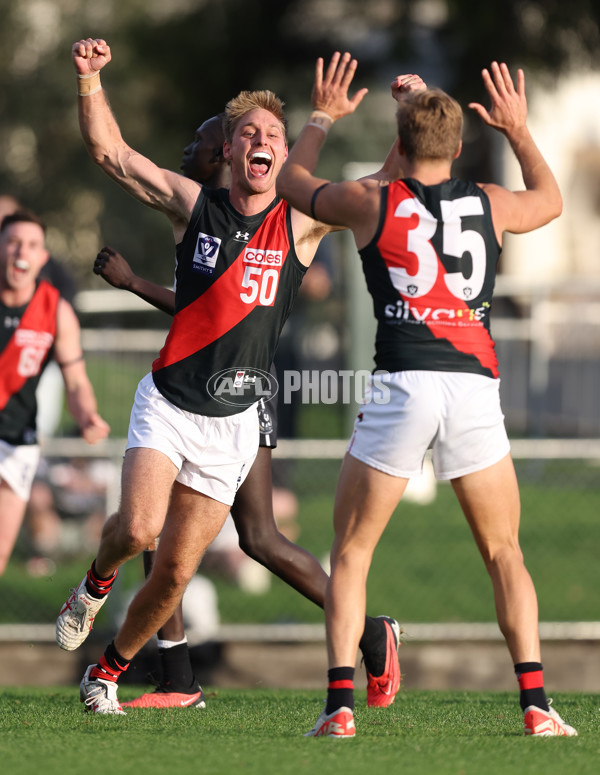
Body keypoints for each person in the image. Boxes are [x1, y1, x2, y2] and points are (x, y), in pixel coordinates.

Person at [55, 38, 401, 715]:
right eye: (249, 133)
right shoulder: (196, 207)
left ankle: (108, 672)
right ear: (232, 152)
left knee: (178, 569)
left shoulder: (299, 224)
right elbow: (113, 155)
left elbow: (378, 193)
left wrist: (405, 118)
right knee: (136, 531)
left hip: (235, 424)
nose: (262, 140)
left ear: (283, 153)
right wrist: (88, 80)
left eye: (274, 132)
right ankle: (94, 585)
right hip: (170, 399)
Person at [277, 55, 577, 738]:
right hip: (473, 388)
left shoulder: (373, 200)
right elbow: (552, 200)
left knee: (351, 552)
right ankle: (535, 703)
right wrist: (521, 131)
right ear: (462, 144)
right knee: (505, 552)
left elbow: (295, 183)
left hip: (403, 383)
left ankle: (339, 707)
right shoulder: (491, 203)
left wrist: (323, 112)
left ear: (402, 145)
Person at [0, 209, 109, 576]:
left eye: (31, 245)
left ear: (42, 257)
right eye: (13, 243)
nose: (21, 253)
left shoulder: (56, 311)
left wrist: (87, 415)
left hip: (18, 440)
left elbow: (76, 380)